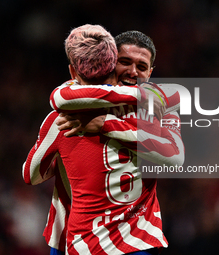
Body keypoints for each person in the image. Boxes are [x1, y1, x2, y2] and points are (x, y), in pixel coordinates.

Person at [23, 25, 184, 254]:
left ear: (150, 72)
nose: (133, 72)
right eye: (125, 62)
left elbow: (175, 158)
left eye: (141, 67)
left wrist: (105, 124)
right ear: (109, 61)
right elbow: (60, 96)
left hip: (122, 241)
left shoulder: (160, 107)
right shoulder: (68, 108)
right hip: (75, 234)